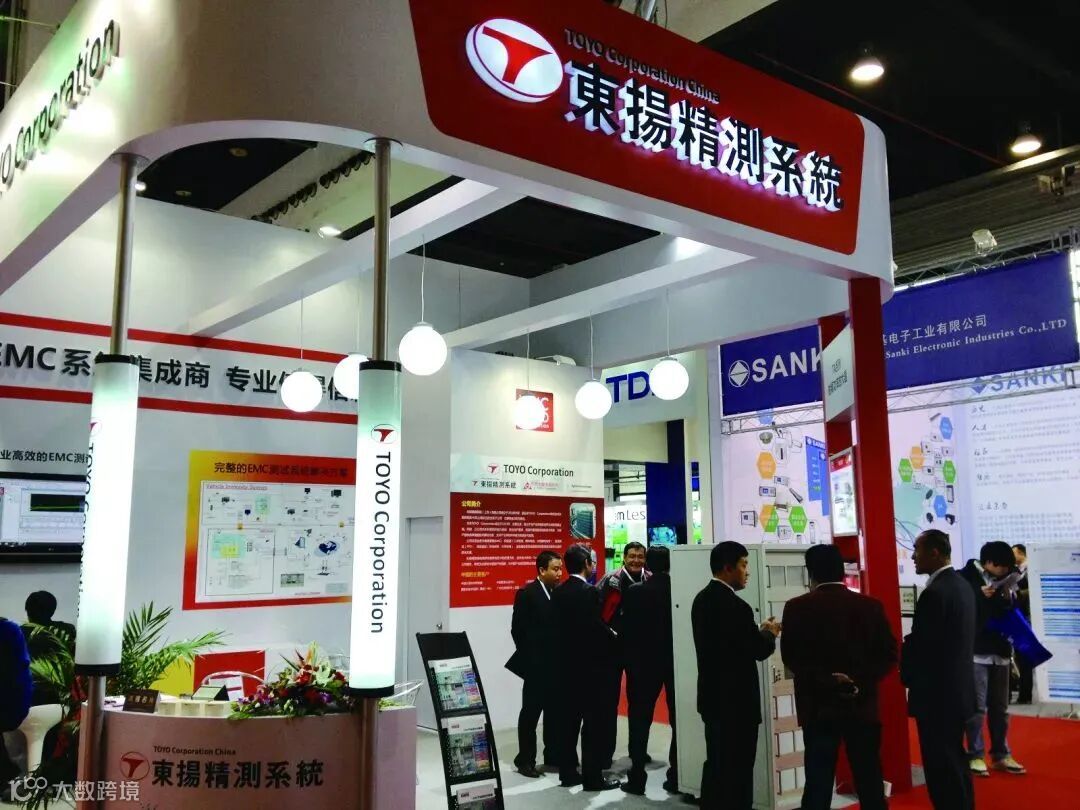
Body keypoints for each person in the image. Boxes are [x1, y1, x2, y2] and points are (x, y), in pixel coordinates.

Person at [780, 544, 896, 810]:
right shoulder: (870, 606)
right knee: (869, 779)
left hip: (818, 707)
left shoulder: (797, 607)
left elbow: (792, 658)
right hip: (862, 706)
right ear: (842, 570)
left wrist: (829, 681)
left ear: (810, 572)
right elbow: (889, 655)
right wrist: (857, 681)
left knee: (818, 781)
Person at [692, 541, 780, 809]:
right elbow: (756, 650)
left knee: (717, 766)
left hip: (712, 699)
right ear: (727, 568)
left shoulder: (701, 599)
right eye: (743, 565)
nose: (747, 571)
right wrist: (769, 634)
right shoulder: (737, 607)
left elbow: (729, 645)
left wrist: (757, 632)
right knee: (739, 771)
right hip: (738, 704)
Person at [901, 530, 976, 810]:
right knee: (955, 762)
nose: (913, 556)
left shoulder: (935, 593)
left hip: (937, 696)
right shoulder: (962, 586)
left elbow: (925, 647)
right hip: (957, 692)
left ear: (934, 552)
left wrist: (907, 671)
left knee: (941, 768)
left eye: (917, 550)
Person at [550, 543, 620, 792]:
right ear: (587, 564)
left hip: (565, 667)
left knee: (568, 723)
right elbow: (594, 628)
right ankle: (592, 777)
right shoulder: (589, 592)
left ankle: (568, 772)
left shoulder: (558, 592)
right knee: (592, 725)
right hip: (590, 668)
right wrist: (612, 635)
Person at [960, 541, 1026, 776]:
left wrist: (1008, 596)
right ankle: (975, 755)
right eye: (1002, 567)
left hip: (1001, 650)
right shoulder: (965, 578)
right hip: (977, 651)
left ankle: (1001, 754)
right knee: (977, 708)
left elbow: (1011, 611)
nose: (1005, 571)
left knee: (1000, 707)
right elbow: (962, 612)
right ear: (988, 563)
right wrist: (978, 595)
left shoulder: (1006, 580)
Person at [621, 545, 677, 796]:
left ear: (648, 565)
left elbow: (628, 629)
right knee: (677, 719)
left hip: (643, 664)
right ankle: (676, 775)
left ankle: (637, 776)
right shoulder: (678, 589)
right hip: (673, 662)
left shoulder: (635, 592)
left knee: (639, 718)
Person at [507, 550, 563, 777]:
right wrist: (531, 658)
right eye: (555, 569)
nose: (559, 573)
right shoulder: (527, 594)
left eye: (560, 569)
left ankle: (553, 754)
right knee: (530, 714)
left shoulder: (558, 592)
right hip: (536, 666)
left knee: (554, 712)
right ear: (542, 570)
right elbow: (517, 630)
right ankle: (525, 760)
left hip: (555, 665)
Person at [597, 540, 649, 767]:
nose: (636, 560)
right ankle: (605, 753)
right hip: (611, 649)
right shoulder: (611, 580)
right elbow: (597, 611)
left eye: (640, 556)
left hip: (639, 651)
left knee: (639, 703)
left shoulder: (650, 579)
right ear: (624, 558)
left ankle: (638, 751)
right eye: (632, 556)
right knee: (608, 703)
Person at [23, 590, 75, 705]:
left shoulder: (18, 633)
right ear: (52, 611)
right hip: (60, 697)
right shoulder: (66, 630)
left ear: (27, 610)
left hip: (26, 695)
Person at [1, 617, 33, 802]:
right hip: (19, 700)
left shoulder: (8, 630)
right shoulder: (11, 629)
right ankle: (11, 778)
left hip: (10, 702)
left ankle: (10, 778)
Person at [1012, 544, 1033, 704]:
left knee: (1025, 657)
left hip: (1027, 617)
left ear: (1021, 553)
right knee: (1019, 656)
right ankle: (1023, 693)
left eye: (1013, 553)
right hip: (1018, 616)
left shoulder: (1030, 569)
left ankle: (1025, 694)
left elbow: (1032, 591)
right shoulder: (1016, 571)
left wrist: (1017, 593)